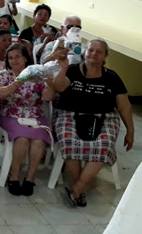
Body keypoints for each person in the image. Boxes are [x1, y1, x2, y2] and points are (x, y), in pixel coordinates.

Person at [52, 39, 134, 208]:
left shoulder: (112, 77)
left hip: (105, 117)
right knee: (70, 142)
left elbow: (124, 106)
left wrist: (130, 130)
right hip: (69, 114)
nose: (94, 54)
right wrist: (63, 68)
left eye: (99, 52)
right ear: (85, 52)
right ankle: (80, 189)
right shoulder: (72, 70)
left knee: (103, 145)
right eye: (91, 50)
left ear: (105, 56)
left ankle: (77, 188)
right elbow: (58, 88)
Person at [0, 43, 55, 196]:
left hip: (35, 115)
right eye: (10, 58)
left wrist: (49, 81)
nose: (14, 61)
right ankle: (13, 177)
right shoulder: (5, 75)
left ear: (25, 58)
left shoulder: (37, 76)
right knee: (22, 139)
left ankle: (30, 178)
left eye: (17, 57)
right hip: (11, 114)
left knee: (38, 141)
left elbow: (48, 97)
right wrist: (18, 82)